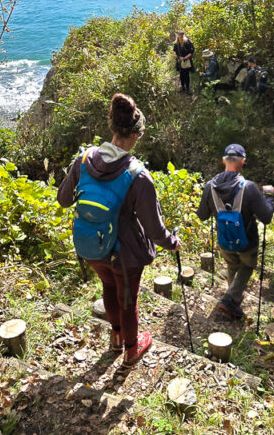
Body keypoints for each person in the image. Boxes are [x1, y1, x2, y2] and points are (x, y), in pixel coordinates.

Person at [57, 93, 180, 367]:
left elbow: (63, 199)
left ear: (112, 127)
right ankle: (132, 351)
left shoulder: (84, 159)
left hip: (91, 246)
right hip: (124, 255)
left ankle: (115, 339)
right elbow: (154, 230)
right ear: (138, 134)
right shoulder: (138, 176)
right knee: (128, 300)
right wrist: (172, 242)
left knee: (108, 287)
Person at [196, 143, 274, 320]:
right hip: (247, 242)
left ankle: (233, 298)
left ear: (224, 160)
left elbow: (202, 215)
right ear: (243, 162)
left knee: (232, 265)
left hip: (225, 240)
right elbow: (267, 217)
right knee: (247, 266)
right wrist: (269, 197)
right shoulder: (249, 187)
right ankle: (231, 299)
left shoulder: (210, 187)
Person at [173, 30, 195, 95]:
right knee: (181, 75)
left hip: (187, 61)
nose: (181, 37)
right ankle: (182, 87)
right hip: (180, 62)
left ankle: (187, 88)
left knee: (187, 75)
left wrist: (185, 57)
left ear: (183, 36)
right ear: (178, 36)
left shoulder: (188, 42)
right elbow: (174, 52)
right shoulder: (176, 44)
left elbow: (191, 51)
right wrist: (179, 57)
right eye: (180, 36)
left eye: (182, 36)